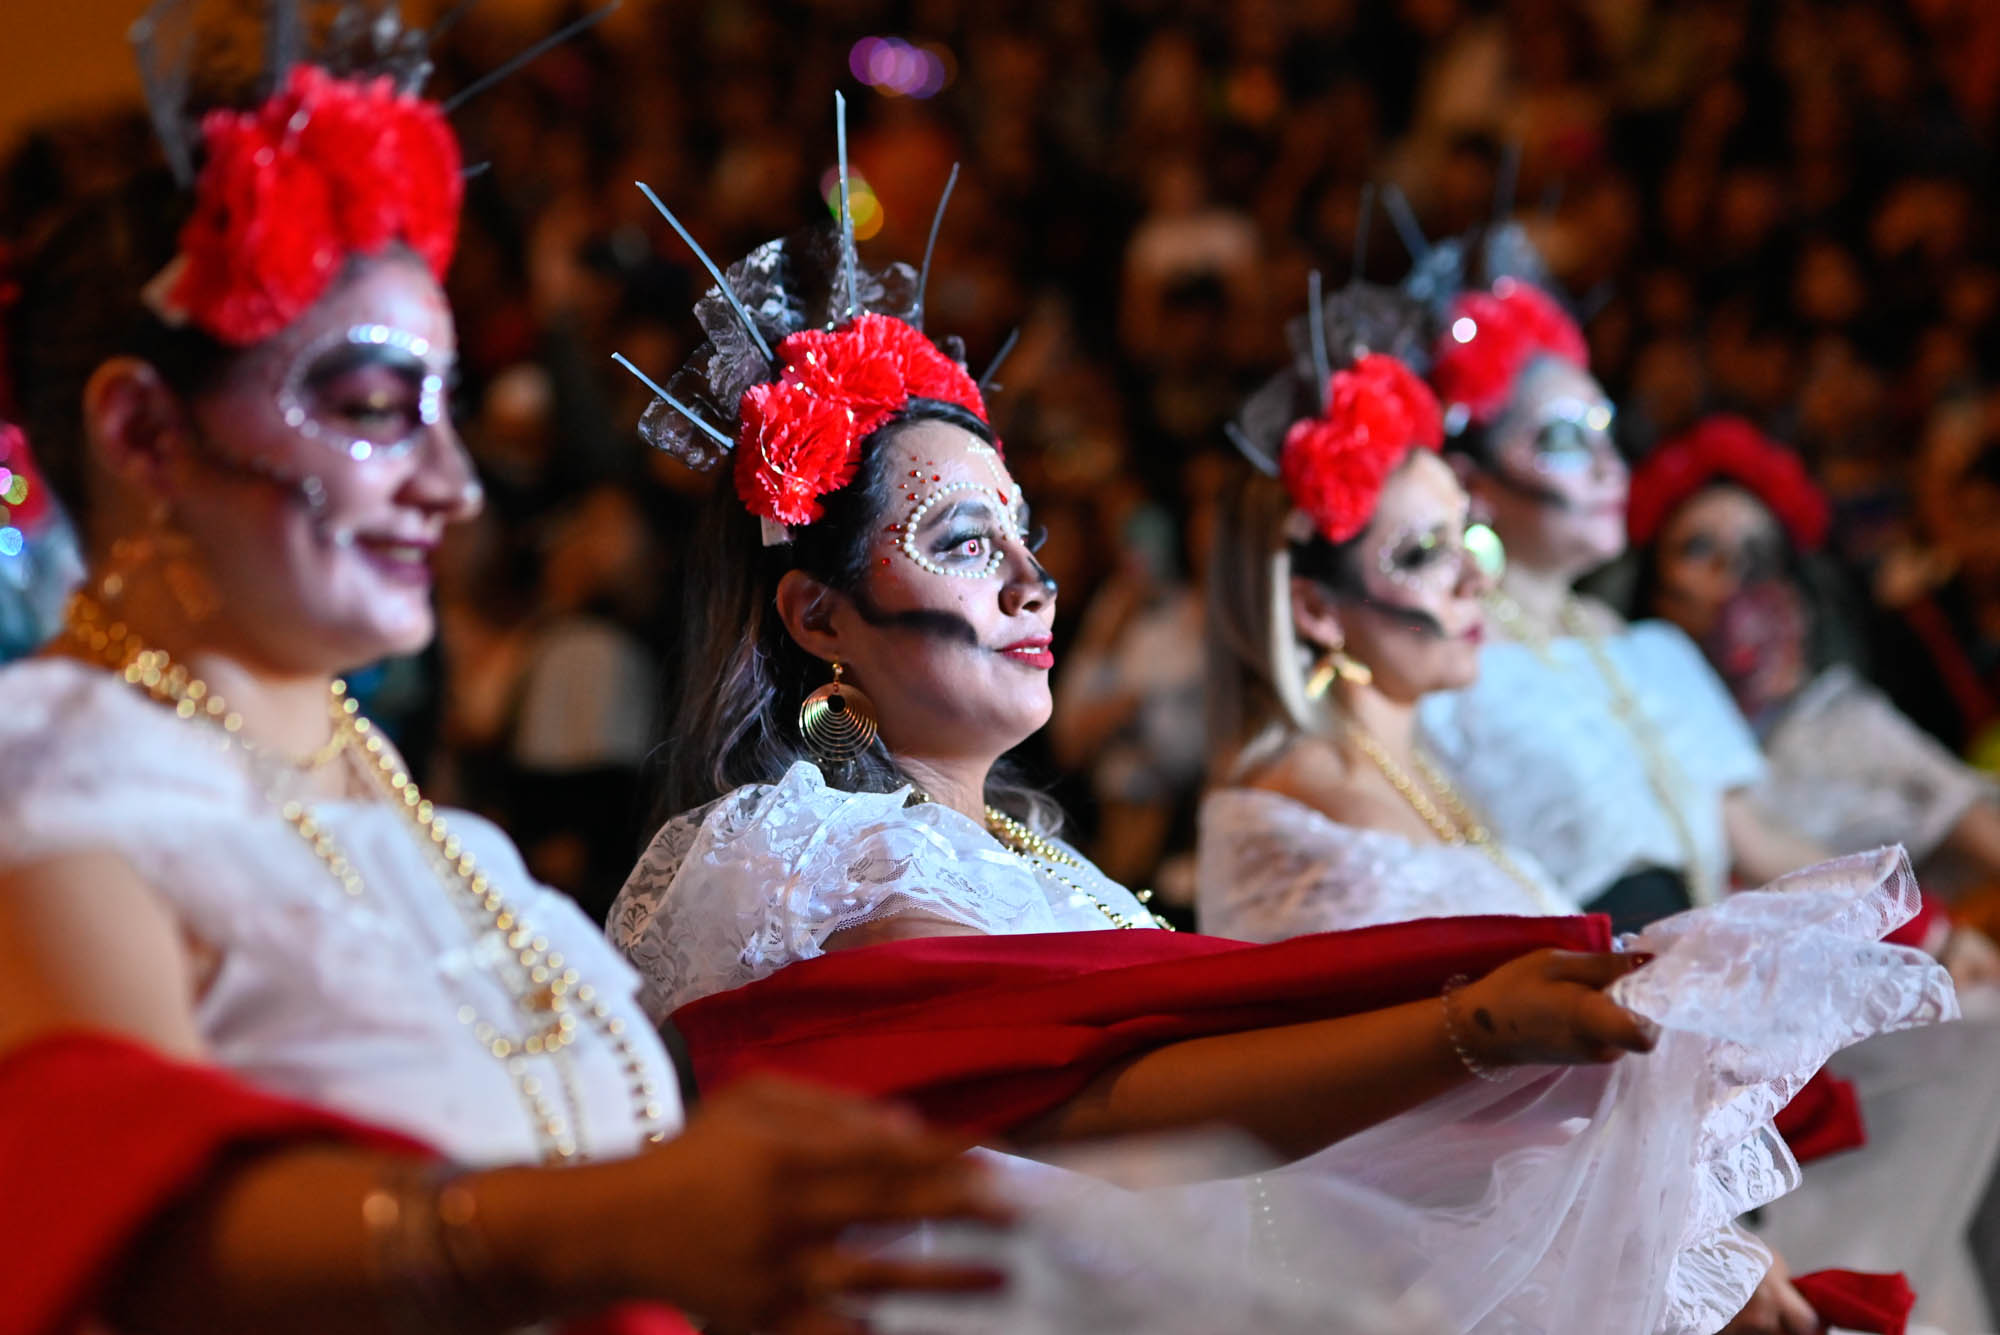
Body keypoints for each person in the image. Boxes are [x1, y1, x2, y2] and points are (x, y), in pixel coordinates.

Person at [604, 145, 1955, 1329]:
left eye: (1031, 534)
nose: (1032, 582)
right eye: (964, 542)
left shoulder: (1036, 858)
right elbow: (1092, 1091)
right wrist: (1470, 1026)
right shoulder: (804, 858)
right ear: (818, 612)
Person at [0, 16, 1005, 1333]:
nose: (451, 482)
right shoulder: (55, 782)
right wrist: (594, 1229)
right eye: (370, 408)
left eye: (447, 409)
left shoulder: (451, 841)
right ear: (140, 430)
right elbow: (100, 1235)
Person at [1412, 273, 2000, 1331]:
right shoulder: (1451, 661)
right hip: (1589, 1028)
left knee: (1972, 1032)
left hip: (1720, 1006)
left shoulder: (1650, 654)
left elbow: (1755, 841)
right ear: (1473, 479)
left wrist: (1925, 938)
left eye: (1601, 426)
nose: (1600, 460)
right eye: (1557, 437)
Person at [1627, 414, 2000, 903]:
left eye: (1758, 550)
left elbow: (1969, 818)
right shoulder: (1642, 728)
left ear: (1792, 597)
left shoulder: (1838, 719)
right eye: (1699, 548)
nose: (1735, 571)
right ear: (1655, 592)